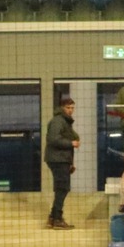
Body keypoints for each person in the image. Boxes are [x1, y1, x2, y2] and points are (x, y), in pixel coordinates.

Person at [44, 95, 80, 231]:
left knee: (61, 187)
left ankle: (53, 218)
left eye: (72, 108)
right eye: (68, 107)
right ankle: (57, 218)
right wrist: (71, 143)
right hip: (58, 159)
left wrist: (70, 162)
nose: (70, 110)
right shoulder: (58, 121)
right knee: (62, 188)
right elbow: (53, 139)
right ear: (62, 108)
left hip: (61, 159)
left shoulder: (64, 121)